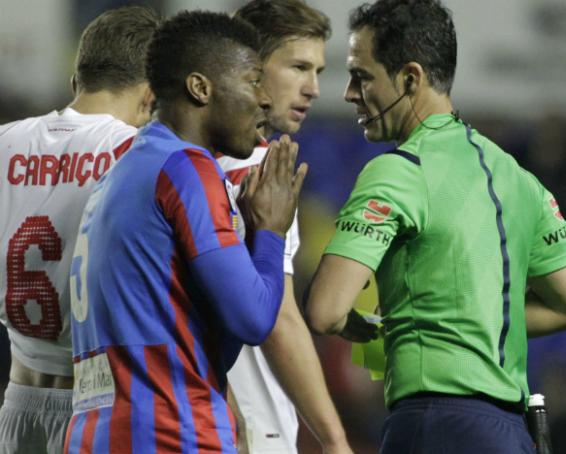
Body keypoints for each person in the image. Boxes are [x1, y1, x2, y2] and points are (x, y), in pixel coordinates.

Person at [305, 0, 566, 452]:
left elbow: (325, 310)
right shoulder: (521, 180)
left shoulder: (398, 171)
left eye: (361, 76)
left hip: (434, 427)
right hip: (512, 434)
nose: (348, 93)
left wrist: (373, 326)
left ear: (411, 78)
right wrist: (465, 320)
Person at [65, 10, 306, 453]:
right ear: (200, 88)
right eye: (254, 80)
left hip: (96, 431)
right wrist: (269, 233)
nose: (266, 99)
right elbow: (252, 320)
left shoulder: (125, 170)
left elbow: (214, 345)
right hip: (169, 431)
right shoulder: (186, 169)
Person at [0, 7, 159, 454]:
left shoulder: (4, 142)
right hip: (99, 406)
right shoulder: (143, 155)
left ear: (76, 82)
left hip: (17, 400)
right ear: (150, 95)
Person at [219, 1, 351, 452]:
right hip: (249, 429)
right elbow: (280, 321)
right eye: (298, 67)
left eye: (317, 71)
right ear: (250, 68)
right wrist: (335, 441)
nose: (313, 88)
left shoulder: (171, 161)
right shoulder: (262, 169)